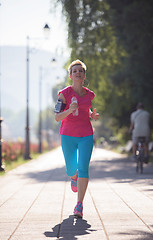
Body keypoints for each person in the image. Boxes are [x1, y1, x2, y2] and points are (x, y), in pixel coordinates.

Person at [54, 59, 99, 218]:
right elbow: (57, 117)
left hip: (86, 135)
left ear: (84, 75)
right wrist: (70, 110)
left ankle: (79, 205)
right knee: (71, 169)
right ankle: (73, 177)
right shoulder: (64, 94)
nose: (78, 73)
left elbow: (85, 109)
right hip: (68, 135)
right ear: (70, 76)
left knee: (84, 167)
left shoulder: (89, 94)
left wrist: (91, 115)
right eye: (74, 71)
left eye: (80, 71)